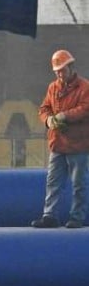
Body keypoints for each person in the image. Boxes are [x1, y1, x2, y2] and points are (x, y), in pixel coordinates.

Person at [32, 49, 89, 229]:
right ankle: (50, 215)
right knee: (53, 182)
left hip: (78, 145)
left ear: (71, 67)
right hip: (57, 144)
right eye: (56, 71)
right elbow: (44, 108)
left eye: (62, 70)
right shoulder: (53, 87)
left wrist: (64, 116)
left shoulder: (85, 88)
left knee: (79, 183)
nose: (59, 74)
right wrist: (49, 120)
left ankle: (77, 217)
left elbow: (85, 109)